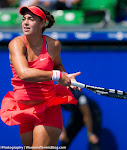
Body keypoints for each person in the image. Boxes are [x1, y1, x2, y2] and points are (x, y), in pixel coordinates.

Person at [0, 5, 81, 148]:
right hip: (24, 109)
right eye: (24, 19)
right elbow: (24, 73)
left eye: (31, 19)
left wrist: (66, 77)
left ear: (42, 23)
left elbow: (58, 66)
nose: (25, 22)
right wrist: (58, 75)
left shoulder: (53, 45)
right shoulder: (16, 44)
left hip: (48, 108)